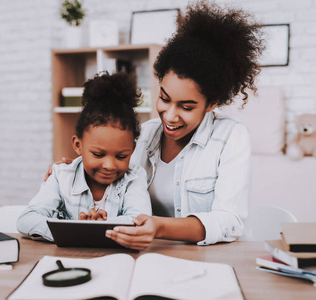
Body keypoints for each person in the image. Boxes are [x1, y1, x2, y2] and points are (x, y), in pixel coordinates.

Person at [47, 1, 264, 250]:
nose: (170, 116)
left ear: (211, 103)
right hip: (142, 254)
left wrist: (159, 226)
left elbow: (230, 220)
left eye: (187, 107)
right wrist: (71, 172)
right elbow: (113, 181)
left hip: (206, 259)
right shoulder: (146, 133)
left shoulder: (230, 137)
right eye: (164, 98)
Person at [17, 72, 152, 241]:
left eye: (121, 156)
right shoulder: (61, 176)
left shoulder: (134, 178)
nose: (109, 165)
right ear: (78, 145)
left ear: (132, 149)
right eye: (98, 154)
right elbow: (27, 220)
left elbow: (140, 221)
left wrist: (100, 227)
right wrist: (76, 231)